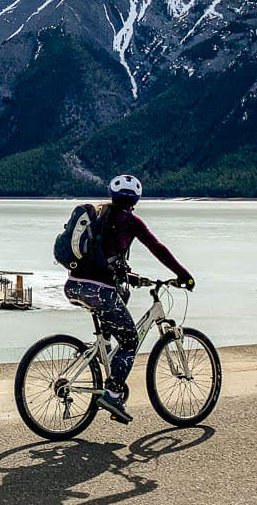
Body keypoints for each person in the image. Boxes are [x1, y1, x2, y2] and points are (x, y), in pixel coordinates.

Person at [64, 174, 194, 424]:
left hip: (74, 285)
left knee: (120, 301)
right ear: (136, 199)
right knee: (130, 340)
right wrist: (183, 275)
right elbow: (158, 248)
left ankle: (104, 353)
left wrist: (131, 277)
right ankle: (113, 395)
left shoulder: (99, 215)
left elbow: (105, 259)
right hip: (100, 291)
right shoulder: (130, 222)